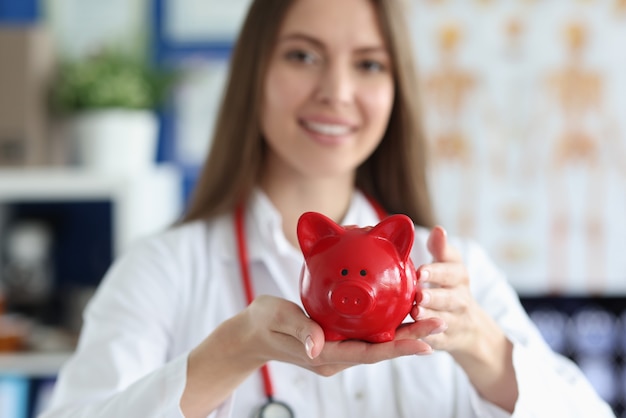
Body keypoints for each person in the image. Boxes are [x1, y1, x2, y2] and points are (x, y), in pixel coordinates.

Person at [41, 0, 615, 417]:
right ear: (253, 74)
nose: (336, 91)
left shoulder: (453, 279)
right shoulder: (163, 270)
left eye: (369, 64)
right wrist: (229, 355)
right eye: (302, 55)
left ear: (396, 91)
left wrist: (484, 349)